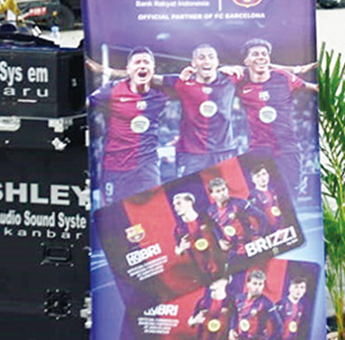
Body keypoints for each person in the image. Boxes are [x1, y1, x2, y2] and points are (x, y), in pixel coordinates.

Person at [232, 39, 317, 198]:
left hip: (288, 149)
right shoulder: (240, 79)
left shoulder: (283, 77)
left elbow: (313, 87)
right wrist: (228, 69)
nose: (261, 57)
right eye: (255, 54)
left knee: (291, 195)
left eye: (264, 54)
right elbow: (213, 77)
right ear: (246, 61)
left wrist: (298, 69)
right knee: (262, 195)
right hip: (259, 149)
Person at [87, 47, 171, 201]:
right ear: (128, 69)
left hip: (147, 167)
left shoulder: (161, 93)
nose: (142, 65)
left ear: (153, 68)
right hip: (116, 168)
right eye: (137, 62)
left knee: (154, 213)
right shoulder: (112, 90)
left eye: (146, 62)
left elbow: (192, 80)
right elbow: (85, 105)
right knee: (117, 218)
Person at [168, 43, 241, 177]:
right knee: (190, 194)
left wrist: (233, 68)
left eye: (211, 57)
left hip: (224, 152)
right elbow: (149, 78)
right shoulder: (182, 82)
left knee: (227, 195)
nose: (206, 61)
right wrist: (116, 72)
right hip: (192, 155)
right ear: (193, 63)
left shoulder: (230, 79)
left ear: (217, 62)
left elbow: (259, 68)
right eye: (201, 58)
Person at [206, 175, 266, 260]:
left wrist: (259, 235)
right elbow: (214, 226)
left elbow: (262, 216)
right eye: (218, 191)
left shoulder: (239, 203)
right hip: (233, 250)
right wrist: (220, 240)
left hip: (248, 246)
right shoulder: (211, 210)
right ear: (212, 195)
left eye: (223, 189)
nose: (222, 193)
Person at [170, 191, 224, 279]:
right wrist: (181, 249)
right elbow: (178, 251)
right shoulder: (179, 229)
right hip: (201, 273)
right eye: (174, 205)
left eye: (179, 203)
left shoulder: (206, 217)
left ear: (189, 202)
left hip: (220, 266)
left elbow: (221, 235)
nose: (176, 208)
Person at [188, 276, 238, 340]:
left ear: (225, 281)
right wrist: (195, 321)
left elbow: (235, 322)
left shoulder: (232, 301)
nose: (212, 281)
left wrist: (232, 330)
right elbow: (190, 322)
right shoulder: (202, 301)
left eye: (217, 278)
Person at [233, 270, 279, 340]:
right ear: (248, 284)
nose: (258, 287)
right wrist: (232, 329)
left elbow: (279, 326)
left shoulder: (267, 303)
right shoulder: (238, 298)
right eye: (255, 283)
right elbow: (234, 315)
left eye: (260, 284)